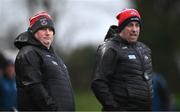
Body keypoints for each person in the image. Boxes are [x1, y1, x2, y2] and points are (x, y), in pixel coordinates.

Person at [91, 8, 153, 111]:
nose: (134, 29)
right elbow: (98, 83)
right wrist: (114, 108)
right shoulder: (110, 48)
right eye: (130, 25)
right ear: (121, 27)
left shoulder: (145, 49)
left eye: (137, 25)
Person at [14, 11, 75, 111]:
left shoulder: (54, 56)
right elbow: (33, 87)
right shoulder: (29, 52)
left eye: (50, 30)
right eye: (42, 29)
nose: (47, 33)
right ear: (33, 32)